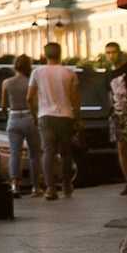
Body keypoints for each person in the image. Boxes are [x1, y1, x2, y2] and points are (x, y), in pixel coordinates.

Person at [29, 42, 79, 200]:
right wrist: (78, 118)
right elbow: (75, 99)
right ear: (60, 54)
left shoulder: (37, 72)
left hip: (45, 116)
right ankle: (67, 186)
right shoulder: (70, 73)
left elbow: (29, 97)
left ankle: (50, 188)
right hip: (66, 116)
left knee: (48, 152)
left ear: (45, 55)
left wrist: (35, 114)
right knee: (66, 153)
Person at [103, 41, 127, 196]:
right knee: (122, 148)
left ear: (119, 52)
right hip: (117, 114)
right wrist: (112, 109)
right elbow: (110, 93)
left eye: (113, 52)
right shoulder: (108, 73)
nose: (110, 55)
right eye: (108, 53)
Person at [1, 55, 36, 196]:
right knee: (34, 153)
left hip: (13, 117)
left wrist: (6, 116)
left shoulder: (7, 83)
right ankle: (36, 186)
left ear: (15, 66)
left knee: (14, 153)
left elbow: (3, 105)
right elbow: (33, 102)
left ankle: (15, 184)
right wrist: (34, 117)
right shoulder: (31, 83)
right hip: (28, 116)